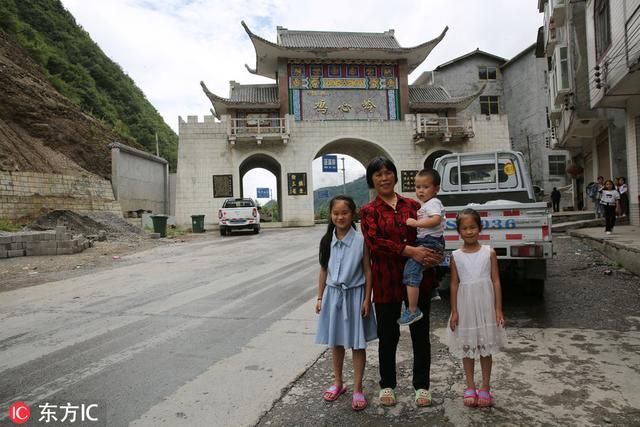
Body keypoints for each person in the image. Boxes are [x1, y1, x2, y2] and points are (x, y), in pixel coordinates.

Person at [360, 157, 442, 408]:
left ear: (395, 176)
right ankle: (387, 385)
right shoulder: (368, 212)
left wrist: (433, 256)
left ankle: (422, 387)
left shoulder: (413, 206)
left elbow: (432, 233)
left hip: (418, 282)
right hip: (385, 283)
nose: (384, 178)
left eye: (388, 173)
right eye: (378, 174)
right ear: (371, 180)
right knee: (388, 337)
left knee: (420, 335)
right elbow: (375, 243)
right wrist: (410, 251)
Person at [315, 195, 377, 411]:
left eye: (344, 213)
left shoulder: (361, 240)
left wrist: (367, 298)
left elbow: (368, 271)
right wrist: (320, 296)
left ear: (353, 214)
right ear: (330, 215)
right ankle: (339, 382)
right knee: (337, 342)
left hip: (355, 295)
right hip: (333, 296)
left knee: (357, 343)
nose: (340, 217)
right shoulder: (326, 240)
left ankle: (358, 388)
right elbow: (323, 270)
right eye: (336, 213)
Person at [448, 208, 506, 408]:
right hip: (465, 307)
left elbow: (496, 281)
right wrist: (454, 310)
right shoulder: (455, 256)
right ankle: (470, 386)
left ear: (480, 228)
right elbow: (454, 284)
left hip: (485, 306)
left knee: (485, 348)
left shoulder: (489, 252)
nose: (469, 231)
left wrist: (498, 309)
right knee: (467, 347)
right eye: (464, 228)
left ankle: (486, 387)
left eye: (473, 227)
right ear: (459, 231)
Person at [399, 169, 445, 326]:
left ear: (436, 189)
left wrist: (416, 223)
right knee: (423, 267)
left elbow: (436, 220)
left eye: (425, 187)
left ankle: (412, 310)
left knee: (411, 271)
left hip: (429, 241)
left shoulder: (433, 203)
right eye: (418, 187)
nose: (420, 191)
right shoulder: (427, 204)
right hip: (428, 241)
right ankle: (433, 290)